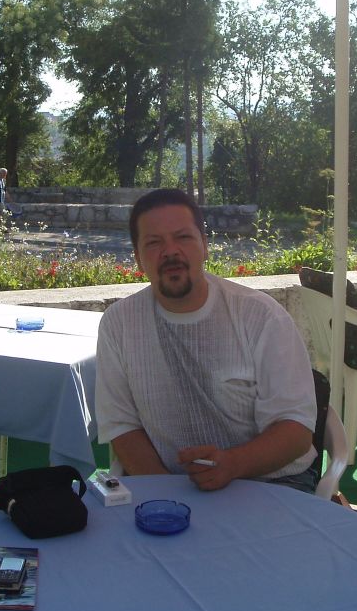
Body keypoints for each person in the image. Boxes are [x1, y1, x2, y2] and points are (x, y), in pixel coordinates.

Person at [96, 188, 318, 493]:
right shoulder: (118, 324)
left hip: (272, 481)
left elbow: (296, 431)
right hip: (169, 485)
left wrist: (233, 464)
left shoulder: (261, 316)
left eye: (183, 237)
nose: (170, 251)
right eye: (154, 242)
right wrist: (169, 497)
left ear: (205, 246)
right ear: (138, 258)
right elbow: (122, 426)